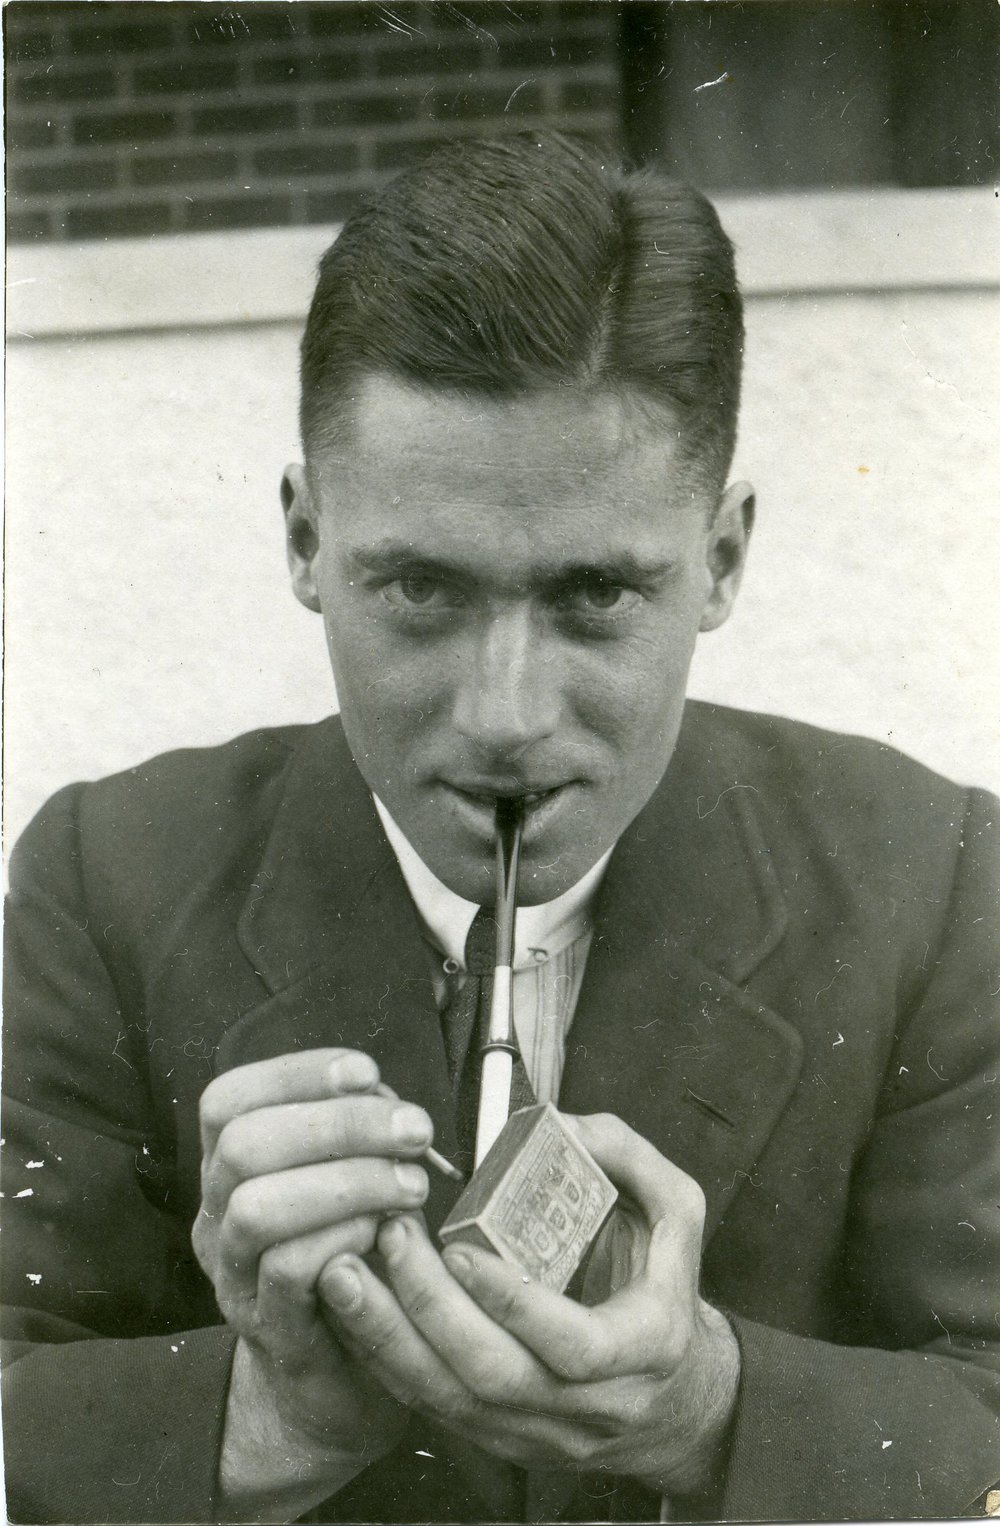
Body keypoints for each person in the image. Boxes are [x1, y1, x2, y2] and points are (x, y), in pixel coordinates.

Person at [3, 132, 998, 1525]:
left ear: (722, 557)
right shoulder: (100, 878)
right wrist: (258, 1421)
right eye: (417, 587)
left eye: (596, 596)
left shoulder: (943, 876)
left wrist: (708, 1407)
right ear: (303, 540)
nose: (507, 714)